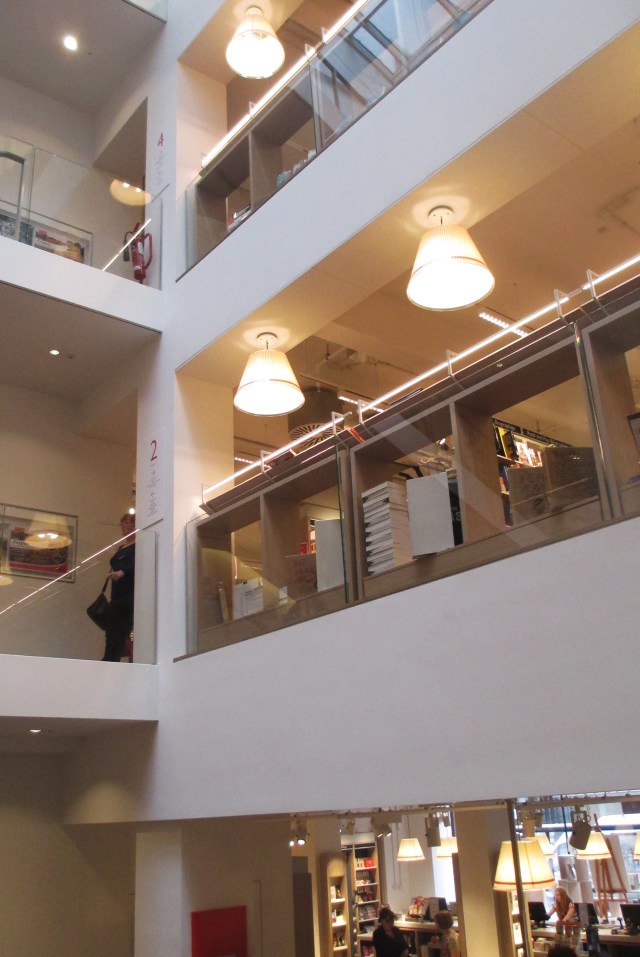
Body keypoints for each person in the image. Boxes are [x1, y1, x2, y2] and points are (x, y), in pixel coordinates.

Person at [102, 513, 136, 662]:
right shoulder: (121, 547)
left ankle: (114, 660)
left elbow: (138, 563)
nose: (125, 526)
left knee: (122, 630)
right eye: (123, 523)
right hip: (116, 596)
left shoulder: (139, 545)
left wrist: (123, 572)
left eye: (129, 523)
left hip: (129, 595)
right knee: (112, 632)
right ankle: (109, 660)